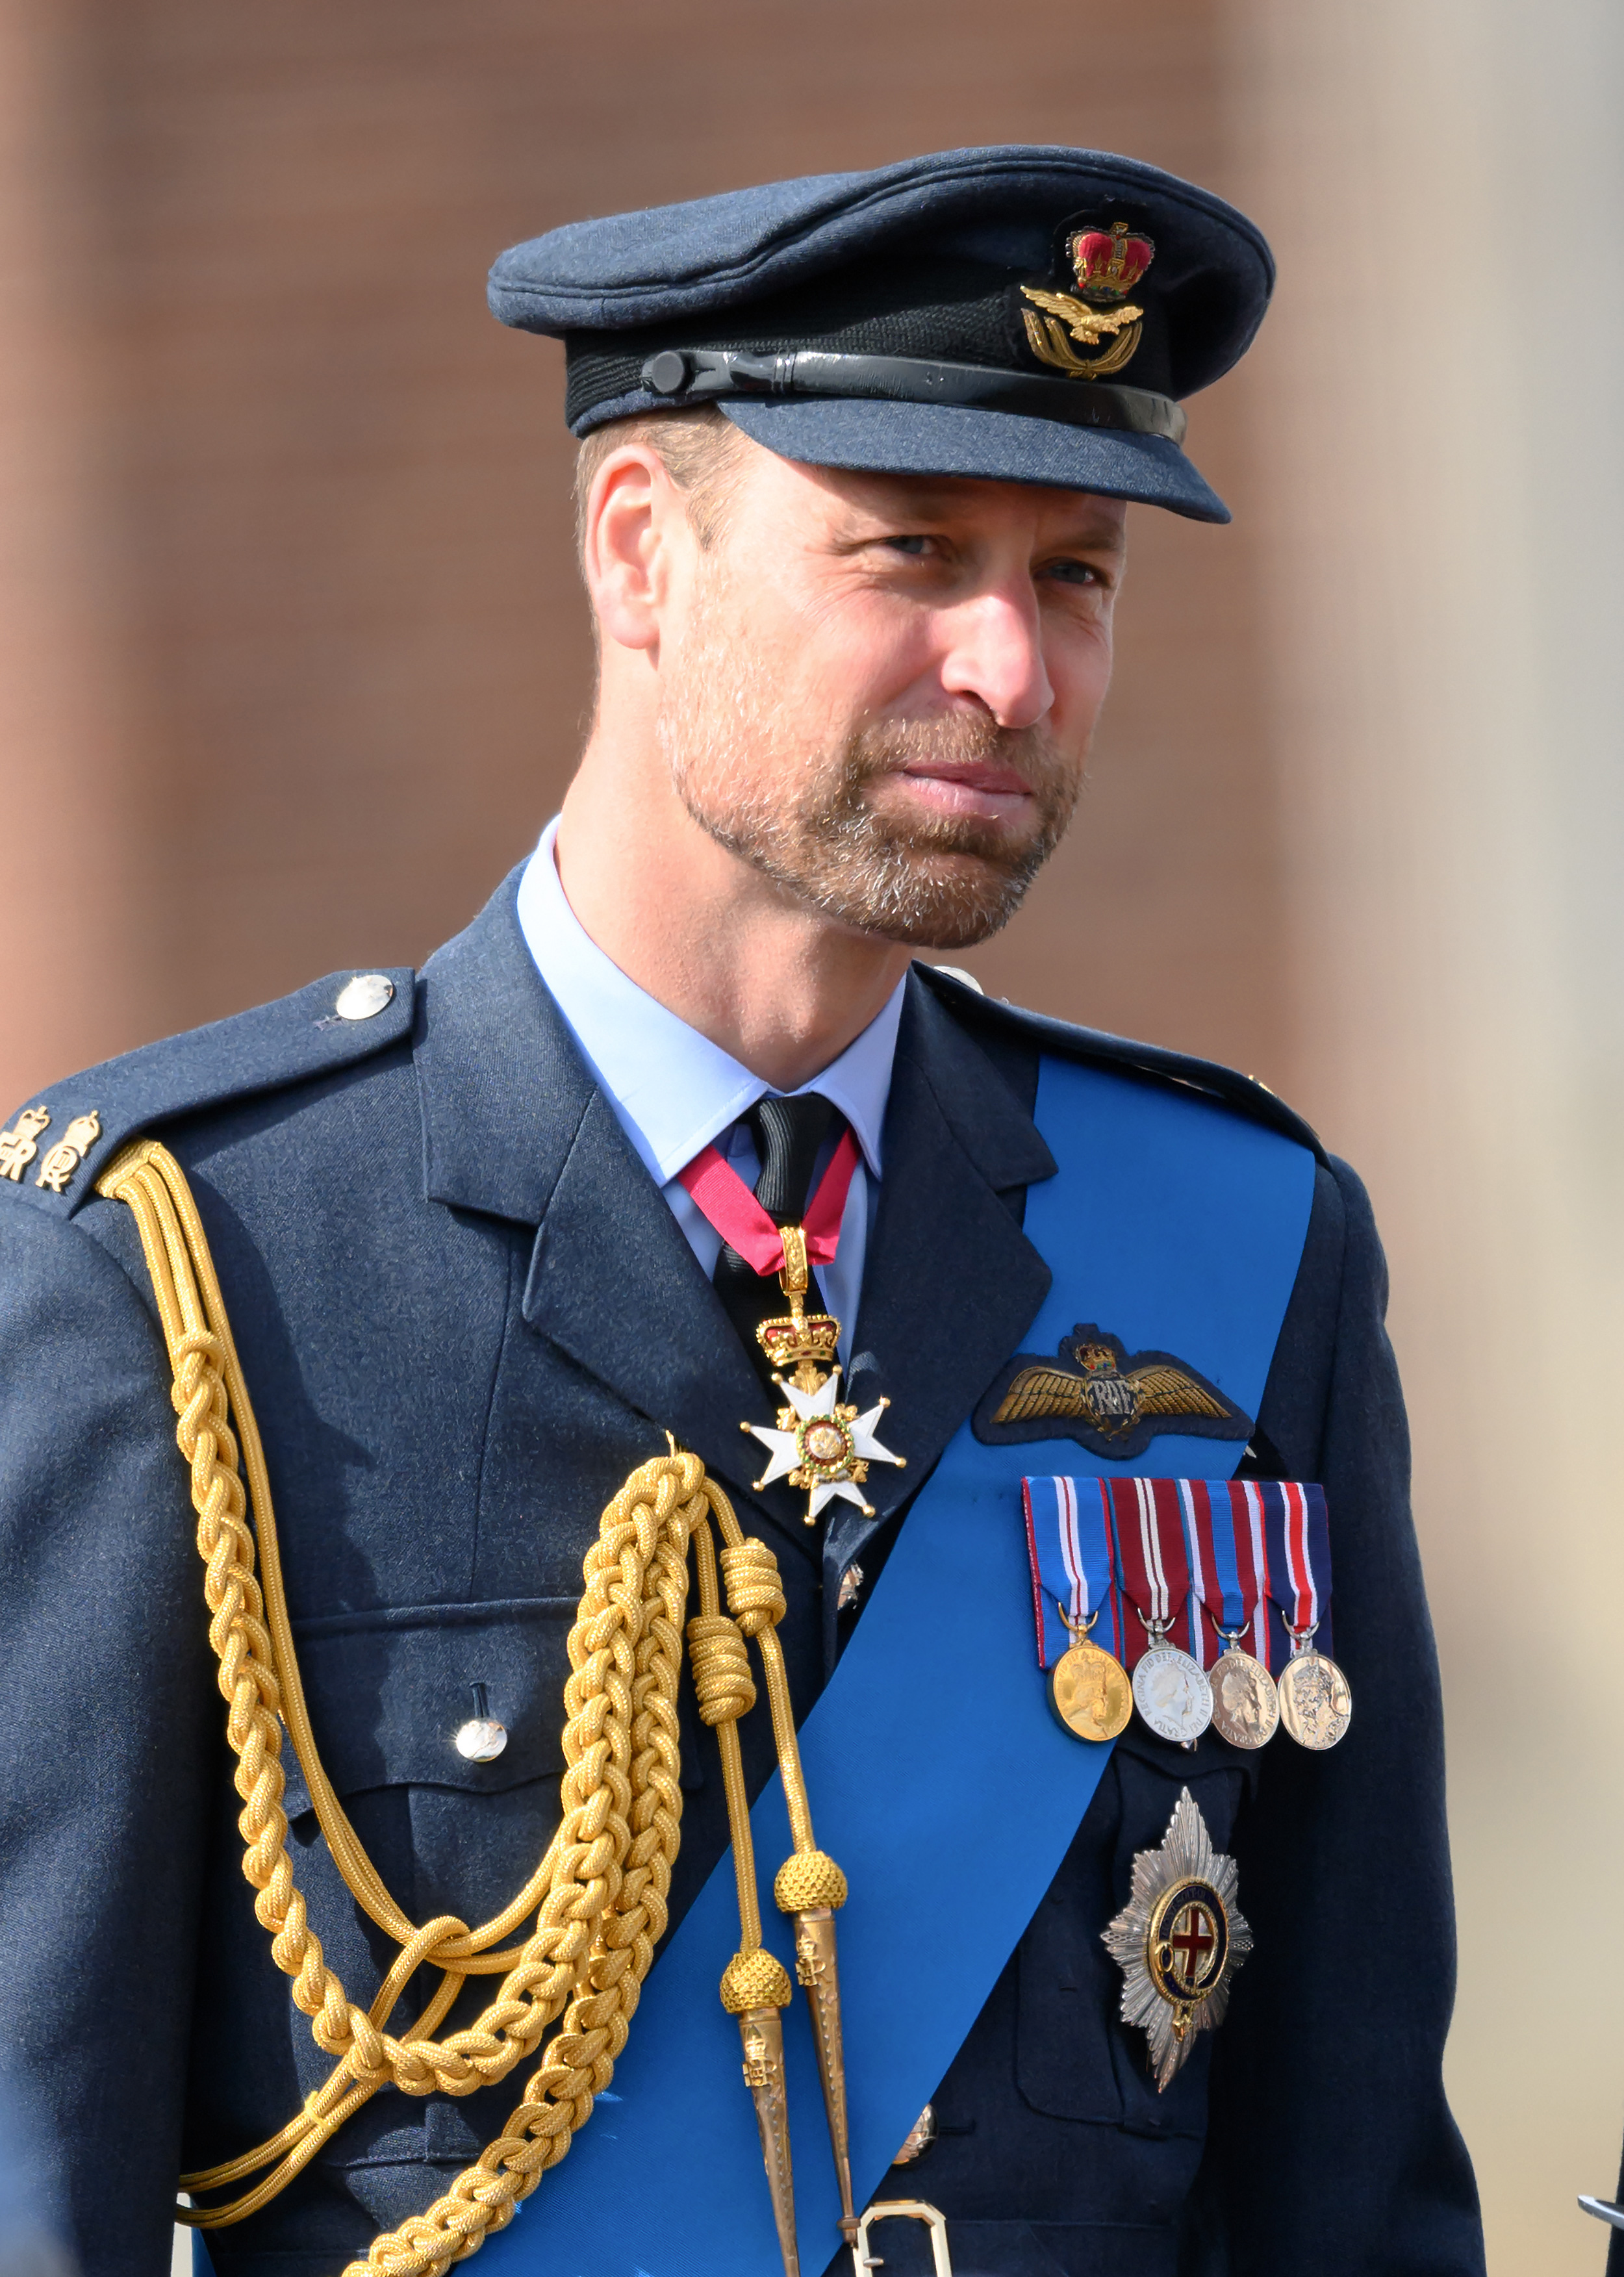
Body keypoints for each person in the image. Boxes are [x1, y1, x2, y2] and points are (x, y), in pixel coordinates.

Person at [0, 146, 1483, 2277]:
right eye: (910, 550)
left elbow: (1350, 2194)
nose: (1010, 665)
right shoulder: (190, 1272)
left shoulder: (1245, 1247)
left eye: (1074, 575)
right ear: (639, 552)